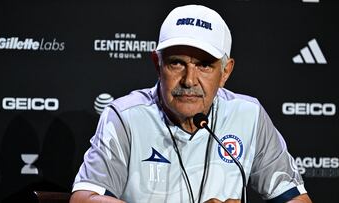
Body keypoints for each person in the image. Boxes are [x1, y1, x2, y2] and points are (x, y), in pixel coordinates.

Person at [70, 4, 312, 203]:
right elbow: (84, 198)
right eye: (176, 63)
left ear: (225, 72)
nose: (188, 80)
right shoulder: (125, 116)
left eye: (204, 65)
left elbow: (296, 199)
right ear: (157, 63)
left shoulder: (249, 115)